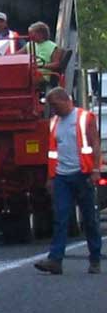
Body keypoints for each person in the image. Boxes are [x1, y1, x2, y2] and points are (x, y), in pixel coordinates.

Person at [34, 87, 102, 275]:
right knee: (60, 218)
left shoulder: (84, 117)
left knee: (89, 219)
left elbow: (95, 143)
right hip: (62, 176)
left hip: (83, 174)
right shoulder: (54, 122)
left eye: (55, 105)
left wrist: (96, 169)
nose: (53, 109)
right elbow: (53, 152)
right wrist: (51, 177)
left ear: (65, 100)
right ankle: (55, 260)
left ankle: (95, 259)